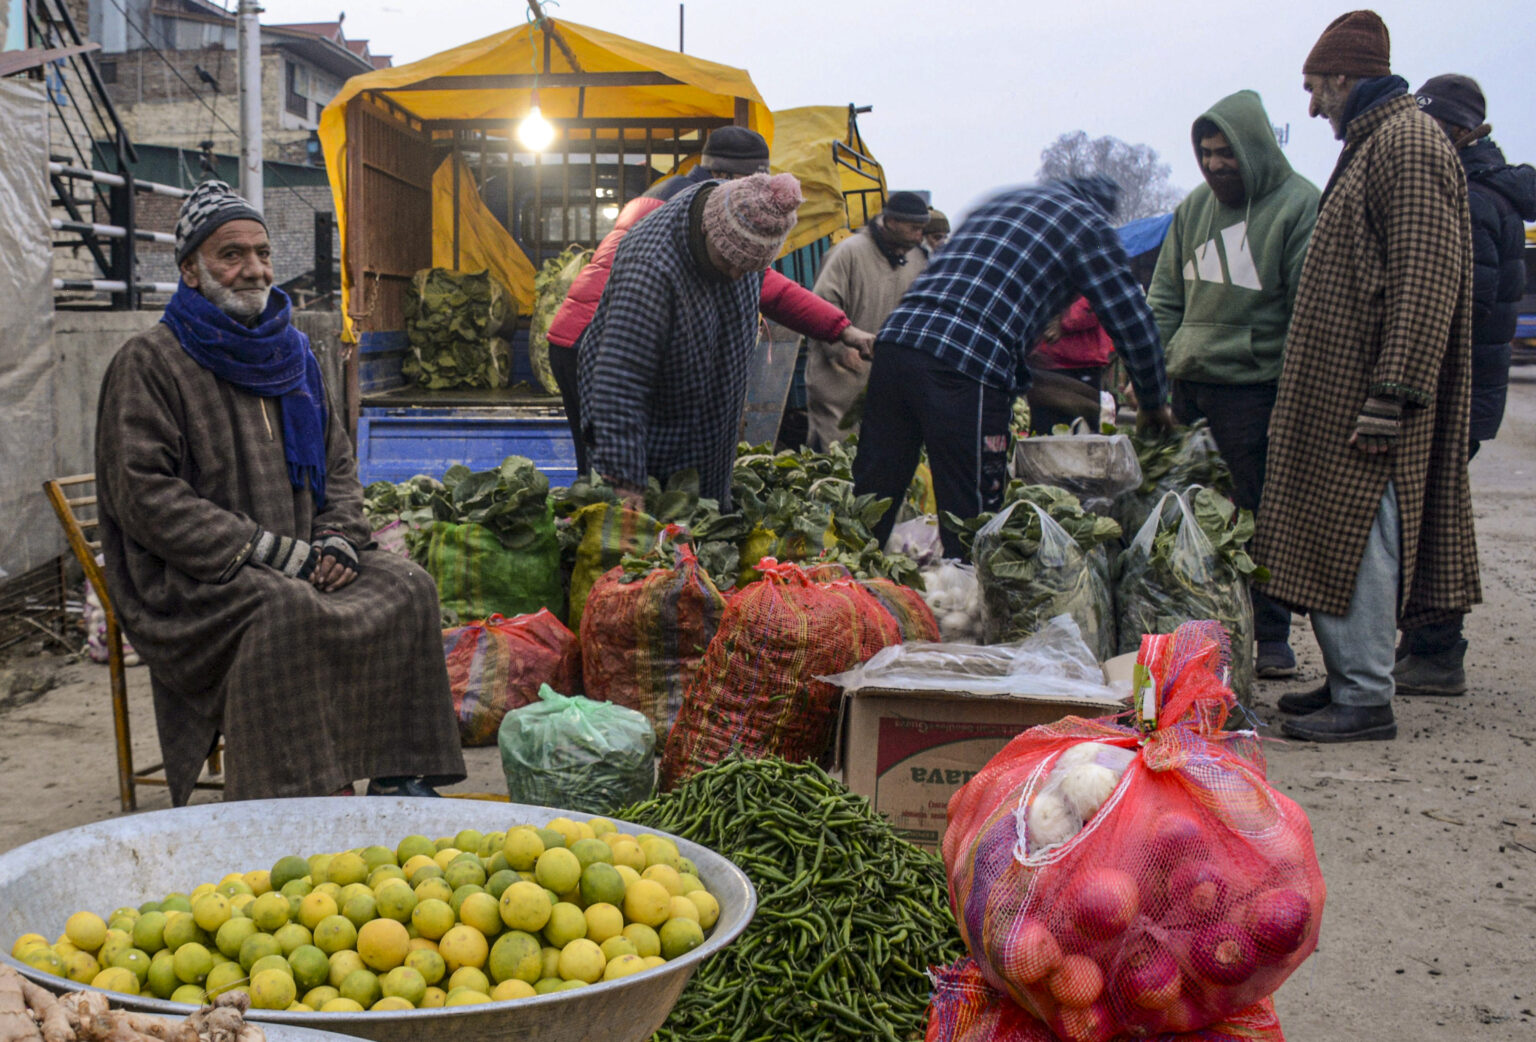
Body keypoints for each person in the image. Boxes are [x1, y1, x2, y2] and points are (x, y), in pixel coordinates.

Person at [94, 180, 466, 803]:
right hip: (195, 581)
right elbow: (144, 494)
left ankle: (396, 776)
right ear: (190, 270)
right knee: (287, 611)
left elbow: (337, 461)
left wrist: (339, 538)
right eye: (231, 255)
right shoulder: (150, 362)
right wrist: (272, 553)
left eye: (262, 253)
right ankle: (301, 797)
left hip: (301, 557)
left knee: (407, 585)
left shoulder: (292, 354)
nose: (254, 269)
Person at [1256, 10, 1480, 742]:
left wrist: (1394, 393)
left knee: (1363, 535)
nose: (1311, 106)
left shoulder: (1408, 144)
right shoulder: (1377, 142)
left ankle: (1366, 697)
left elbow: (1425, 277)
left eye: (1315, 87)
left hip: (1371, 397)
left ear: (1345, 77)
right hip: (1345, 390)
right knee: (1339, 531)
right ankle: (1349, 675)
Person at [852, 176, 1175, 559]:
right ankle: (966, 586)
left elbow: (974, 284)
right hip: (964, 361)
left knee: (873, 495)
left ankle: (848, 582)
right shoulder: (1086, 224)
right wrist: (1153, 400)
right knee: (970, 518)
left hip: (897, 341)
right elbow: (1129, 315)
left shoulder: (1002, 202)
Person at [546, 126, 872, 472]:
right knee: (614, 465)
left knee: (610, 467)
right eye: (751, 182)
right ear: (725, 174)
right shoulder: (694, 211)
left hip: (576, 334)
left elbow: (758, 281)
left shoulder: (679, 194)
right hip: (596, 338)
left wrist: (840, 328)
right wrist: (841, 329)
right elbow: (768, 287)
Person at [1146, 89, 1321, 680]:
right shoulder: (1193, 208)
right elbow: (1165, 296)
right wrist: (1152, 375)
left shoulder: (1299, 205)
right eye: (1205, 153)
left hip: (1255, 390)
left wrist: (1294, 398)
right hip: (1189, 386)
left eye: (1226, 153)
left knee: (1257, 515)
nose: (1215, 164)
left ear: (1255, 148)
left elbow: (1306, 313)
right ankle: (1189, 633)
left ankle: (1269, 636)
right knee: (1181, 511)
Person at [1392, 75, 1535, 695]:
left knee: (1428, 521)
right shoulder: (1481, 188)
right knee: (1427, 516)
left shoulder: (1471, 198)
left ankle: (1436, 652)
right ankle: (1426, 648)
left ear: (1457, 130)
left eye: (1429, 125)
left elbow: (1460, 308)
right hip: (1470, 389)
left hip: (1458, 391)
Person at [578, 172, 803, 509]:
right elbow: (620, 380)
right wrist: (624, 477)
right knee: (649, 530)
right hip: (650, 433)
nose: (737, 274)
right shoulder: (651, 267)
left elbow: (758, 282)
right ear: (708, 230)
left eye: (748, 268)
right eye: (729, 261)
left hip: (708, 431)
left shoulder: (741, 229)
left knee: (704, 523)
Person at [804, 190, 930, 449]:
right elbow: (821, 305)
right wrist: (841, 349)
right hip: (840, 380)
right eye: (913, 228)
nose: (919, 236)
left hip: (889, 380)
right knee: (837, 455)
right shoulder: (848, 252)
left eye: (922, 229)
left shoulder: (918, 260)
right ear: (891, 221)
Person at [1025, 295, 1115, 435]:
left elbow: (1098, 299)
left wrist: (1065, 320)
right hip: (1043, 365)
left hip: (1079, 366)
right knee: (1043, 436)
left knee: (1078, 435)